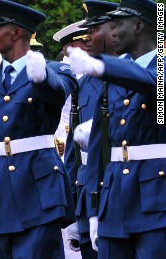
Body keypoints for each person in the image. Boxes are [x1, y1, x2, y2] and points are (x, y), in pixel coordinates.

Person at [0, 1, 78, 258]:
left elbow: (57, 91)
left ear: (17, 32)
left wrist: (41, 75)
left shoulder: (58, 70)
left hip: (38, 192)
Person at [68, 0, 164, 258]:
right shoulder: (113, 76)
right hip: (115, 199)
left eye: (118, 24)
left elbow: (154, 83)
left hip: (157, 199)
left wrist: (103, 65)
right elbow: (101, 145)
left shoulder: (161, 68)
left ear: (139, 26)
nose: (113, 31)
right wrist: (95, 209)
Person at [63, 1, 119, 259]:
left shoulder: (150, 74)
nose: (87, 39)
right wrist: (74, 209)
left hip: (127, 188)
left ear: (115, 30)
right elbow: (73, 152)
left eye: (93, 30)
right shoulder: (82, 83)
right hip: (88, 192)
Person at [52, 20, 89, 161]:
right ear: (71, 46)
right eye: (85, 42)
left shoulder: (90, 71)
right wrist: (57, 140)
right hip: (63, 144)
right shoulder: (58, 73)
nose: (89, 45)